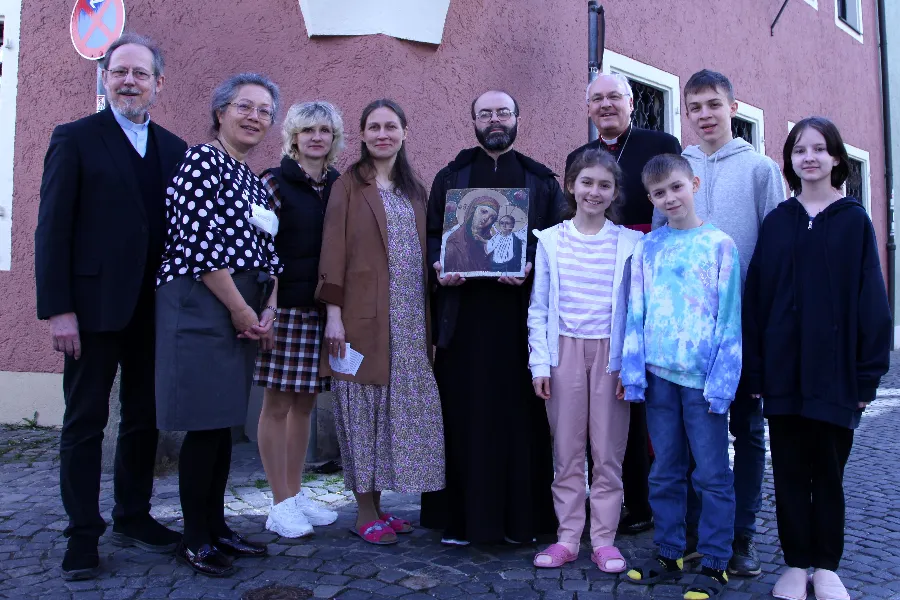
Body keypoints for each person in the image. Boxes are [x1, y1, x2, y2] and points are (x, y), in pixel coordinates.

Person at [34, 33, 187, 581]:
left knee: (144, 420)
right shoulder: (74, 138)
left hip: (156, 311)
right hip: (92, 310)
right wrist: (58, 309)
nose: (129, 81)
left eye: (140, 74)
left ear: (157, 84)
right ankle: (82, 534)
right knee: (84, 422)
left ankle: (134, 515)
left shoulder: (174, 149)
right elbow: (52, 228)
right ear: (105, 78)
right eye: (120, 71)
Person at [743, 117, 891, 600]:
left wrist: (867, 378)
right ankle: (795, 562)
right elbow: (757, 298)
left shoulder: (853, 221)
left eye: (819, 149)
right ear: (789, 160)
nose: (809, 157)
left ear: (835, 159)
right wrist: (758, 369)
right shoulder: (779, 221)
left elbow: (871, 301)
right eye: (799, 150)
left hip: (835, 375)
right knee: (787, 470)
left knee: (827, 471)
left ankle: (826, 565)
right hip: (782, 373)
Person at [651, 70, 785, 576]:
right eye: (695, 107)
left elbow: (774, 247)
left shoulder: (759, 169)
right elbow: (661, 241)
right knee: (687, 435)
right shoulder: (678, 166)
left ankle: (740, 535)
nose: (704, 115)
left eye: (713, 104)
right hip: (683, 333)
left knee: (746, 430)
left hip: (741, 323)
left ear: (733, 107)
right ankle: (688, 530)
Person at [420, 90, 562, 545]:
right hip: (463, 322)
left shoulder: (541, 180)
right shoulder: (451, 177)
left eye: (503, 112)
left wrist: (533, 266)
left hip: (521, 321)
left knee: (523, 420)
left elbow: (557, 242)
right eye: (486, 113)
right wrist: (440, 269)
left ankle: (526, 520)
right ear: (474, 122)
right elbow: (432, 237)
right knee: (465, 418)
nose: (495, 120)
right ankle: (462, 520)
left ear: (518, 118)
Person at [155, 73, 281, 576]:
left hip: (243, 305)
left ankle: (217, 527)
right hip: (204, 301)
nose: (254, 117)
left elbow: (270, 247)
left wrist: (266, 306)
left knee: (223, 424)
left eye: (264, 112)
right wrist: (239, 307)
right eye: (243, 107)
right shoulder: (202, 161)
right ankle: (195, 537)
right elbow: (200, 244)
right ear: (221, 111)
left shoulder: (250, 175)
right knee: (206, 426)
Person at [318, 99, 445, 546]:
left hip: (410, 320)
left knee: (400, 412)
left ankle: (383, 505)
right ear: (363, 134)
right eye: (373, 127)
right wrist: (333, 316)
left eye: (391, 126)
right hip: (360, 319)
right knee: (362, 413)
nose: (382, 134)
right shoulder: (349, 185)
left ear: (405, 132)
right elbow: (332, 249)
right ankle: (364, 511)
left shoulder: (414, 188)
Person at [567, 73, 683, 535]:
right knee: (608, 388)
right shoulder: (581, 157)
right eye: (597, 98)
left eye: (614, 96)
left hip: (648, 273)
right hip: (595, 280)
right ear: (588, 107)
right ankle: (605, 496)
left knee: (639, 387)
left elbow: (673, 203)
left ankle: (646, 498)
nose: (606, 104)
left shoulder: (660, 142)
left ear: (631, 102)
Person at [621, 154, 741, 600]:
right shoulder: (648, 246)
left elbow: (729, 319)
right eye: (658, 193)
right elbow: (636, 312)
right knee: (665, 471)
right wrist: (634, 373)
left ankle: (715, 561)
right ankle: (670, 550)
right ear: (650, 199)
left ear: (692, 184)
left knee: (711, 474)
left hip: (703, 380)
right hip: (658, 377)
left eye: (675, 188)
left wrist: (722, 381)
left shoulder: (719, 245)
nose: (669, 198)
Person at [527, 149, 641, 572]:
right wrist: (540, 363)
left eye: (604, 185)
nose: (595, 191)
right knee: (567, 452)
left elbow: (637, 312)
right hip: (564, 352)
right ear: (571, 186)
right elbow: (538, 307)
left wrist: (631, 366)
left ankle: (605, 539)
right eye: (587, 183)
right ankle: (568, 536)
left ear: (614, 193)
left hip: (611, 355)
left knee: (608, 453)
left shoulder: (631, 242)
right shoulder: (550, 241)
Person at [254, 101, 344, 538]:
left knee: (305, 404)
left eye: (324, 130)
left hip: (321, 309)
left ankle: (295, 493)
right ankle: (278, 502)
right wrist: (267, 305)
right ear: (293, 136)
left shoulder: (338, 186)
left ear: (334, 138)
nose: (316, 137)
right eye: (307, 129)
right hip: (284, 307)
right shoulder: (273, 181)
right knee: (278, 405)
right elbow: (261, 249)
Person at [442, 196, 500, 273]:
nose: (486, 218)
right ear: (473, 210)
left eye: (492, 217)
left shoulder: (492, 242)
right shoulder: (454, 240)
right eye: (483, 211)